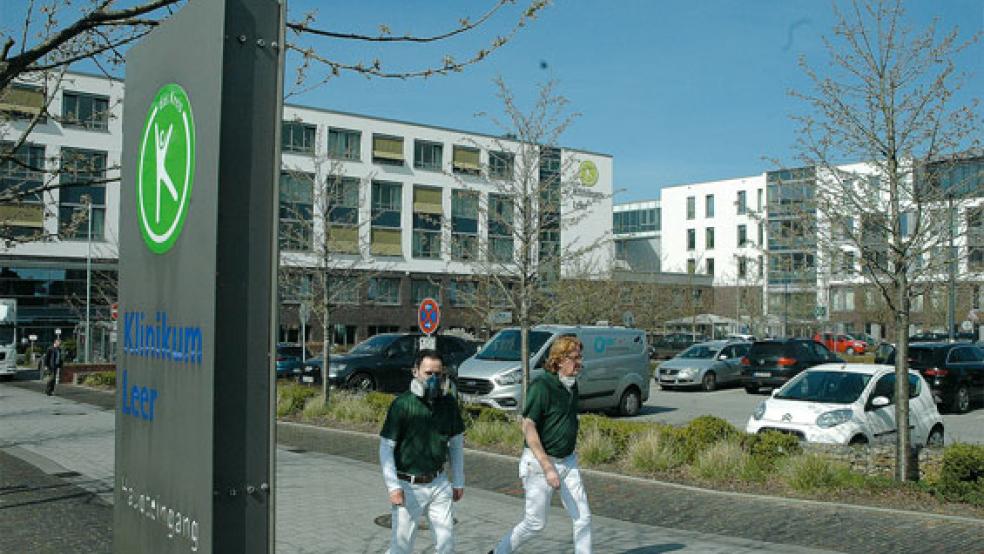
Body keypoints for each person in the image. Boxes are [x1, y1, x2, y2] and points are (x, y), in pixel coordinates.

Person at [493, 335, 592, 553]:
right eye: (575, 358)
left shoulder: (572, 386)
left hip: (568, 462)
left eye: (580, 357)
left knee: (583, 518)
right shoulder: (542, 386)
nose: (579, 363)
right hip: (539, 464)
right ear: (558, 360)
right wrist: (547, 466)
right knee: (536, 523)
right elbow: (528, 426)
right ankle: (500, 551)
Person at [379, 349, 465, 554]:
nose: (434, 379)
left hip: (438, 483)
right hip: (408, 486)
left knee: (446, 545)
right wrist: (393, 486)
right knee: (401, 547)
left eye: (438, 374)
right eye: (428, 373)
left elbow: (456, 444)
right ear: (415, 372)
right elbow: (386, 447)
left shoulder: (448, 404)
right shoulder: (402, 405)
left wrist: (458, 480)